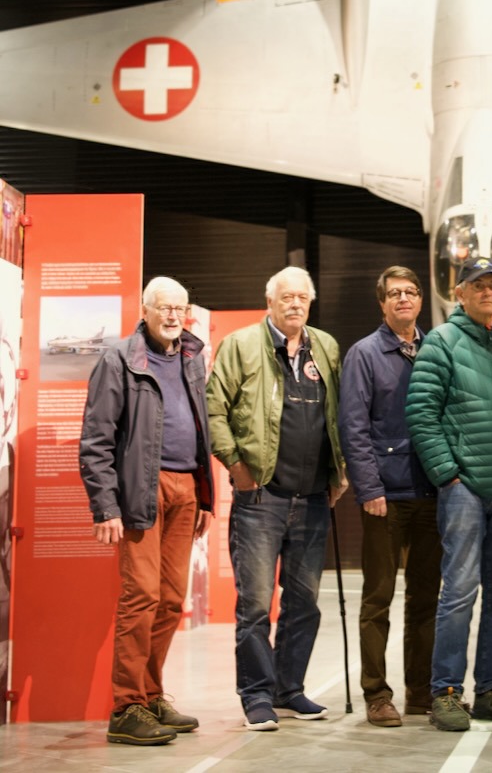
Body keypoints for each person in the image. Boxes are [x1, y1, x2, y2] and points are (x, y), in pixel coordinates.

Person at [206, 266, 345, 731]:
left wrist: (339, 470)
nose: (295, 304)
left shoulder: (325, 347)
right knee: (255, 605)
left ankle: (289, 688)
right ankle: (257, 695)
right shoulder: (241, 345)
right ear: (270, 302)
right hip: (261, 498)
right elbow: (214, 408)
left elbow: (338, 413)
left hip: (313, 499)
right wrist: (235, 465)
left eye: (302, 297)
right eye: (287, 297)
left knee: (304, 602)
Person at [81, 277, 214, 745]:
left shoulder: (192, 357)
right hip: (142, 488)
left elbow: (201, 428)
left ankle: (151, 694)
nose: (173, 316)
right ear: (145, 310)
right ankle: (126, 707)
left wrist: (205, 497)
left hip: (186, 490)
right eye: (164, 308)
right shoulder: (119, 358)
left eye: (180, 308)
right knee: (141, 595)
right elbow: (96, 439)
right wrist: (105, 506)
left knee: (172, 599)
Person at [406, 256, 492, 732]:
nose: (487, 291)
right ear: (459, 293)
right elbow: (421, 413)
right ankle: (445, 692)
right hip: (465, 489)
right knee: (459, 591)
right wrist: (448, 475)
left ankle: (490, 690)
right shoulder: (441, 342)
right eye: (477, 285)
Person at [338, 266, 441, 728]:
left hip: (432, 493)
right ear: (382, 303)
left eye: (411, 292)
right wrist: (369, 487)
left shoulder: (435, 349)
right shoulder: (364, 354)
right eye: (394, 293)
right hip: (386, 497)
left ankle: (422, 692)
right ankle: (377, 694)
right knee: (377, 599)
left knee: (426, 598)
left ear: (420, 300)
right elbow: (353, 426)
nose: (403, 299)